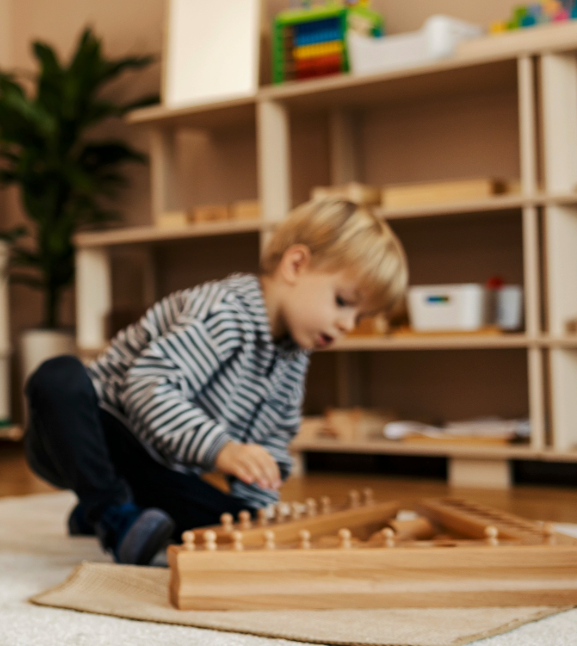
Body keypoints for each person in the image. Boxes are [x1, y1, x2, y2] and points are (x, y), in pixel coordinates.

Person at [24, 197, 407, 564]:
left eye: (359, 317)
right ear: (295, 265)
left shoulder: (293, 356)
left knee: (228, 522)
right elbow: (147, 389)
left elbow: (269, 446)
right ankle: (109, 512)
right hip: (93, 433)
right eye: (343, 302)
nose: (347, 325)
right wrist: (222, 450)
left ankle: (105, 507)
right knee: (59, 376)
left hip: (156, 467)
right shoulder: (224, 312)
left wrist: (258, 519)